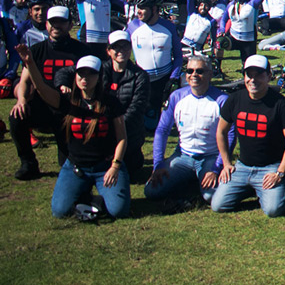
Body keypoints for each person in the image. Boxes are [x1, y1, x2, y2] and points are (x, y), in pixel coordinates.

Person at [13, 49, 130, 219]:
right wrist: (30, 64)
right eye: (81, 74)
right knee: (60, 211)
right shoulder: (68, 101)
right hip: (76, 167)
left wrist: (115, 166)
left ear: (99, 77)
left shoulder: (111, 103)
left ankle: (95, 198)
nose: (85, 78)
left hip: (105, 166)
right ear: (75, 76)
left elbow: (122, 138)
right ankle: (84, 193)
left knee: (118, 211)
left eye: (91, 74)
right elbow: (41, 88)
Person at [211, 56, 285, 217]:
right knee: (218, 205)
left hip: (270, 167)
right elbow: (221, 132)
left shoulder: (279, 104)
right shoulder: (235, 100)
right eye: (249, 75)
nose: (253, 80)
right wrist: (226, 163)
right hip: (242, 167)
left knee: (273, 210)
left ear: (268, 76)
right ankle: (252, 189)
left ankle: (283, 187)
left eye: (259, 75)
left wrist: (280, 172)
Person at [9, 5, 90, 179]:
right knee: (16, 116)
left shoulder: (81, 51)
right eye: (53, 23)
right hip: (42, 106)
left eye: (61, 22)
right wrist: (21, 100)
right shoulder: (37, 51)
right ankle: (28, 163)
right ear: (47, 25)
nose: (56, 27)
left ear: (69, 25)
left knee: (68, 165)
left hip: (69, 109)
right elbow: (24, 80)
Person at [145, 55, 231, 211]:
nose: (194, 75)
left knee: (211, 196)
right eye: (190, 71)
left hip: (211, 156)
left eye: (200, 71)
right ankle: (191, 181)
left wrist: (217, 168)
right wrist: (158, 164)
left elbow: (230, 135)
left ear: (210, 74)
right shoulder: (176, 96)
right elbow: (162, 130)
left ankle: (198, 180)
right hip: (183, 156)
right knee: (151, 191)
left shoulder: (222, 100)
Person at [99, 31, 150, 177]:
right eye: (116, 47)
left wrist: (116, 128)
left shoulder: (140, 76)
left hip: (130, 133)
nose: (121, 51)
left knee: (130, 172)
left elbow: (137, 108)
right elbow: (69, 71)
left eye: (125, 47)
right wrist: (62, 84)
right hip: (102, 131)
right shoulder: (99, 70)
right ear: (109, 51)